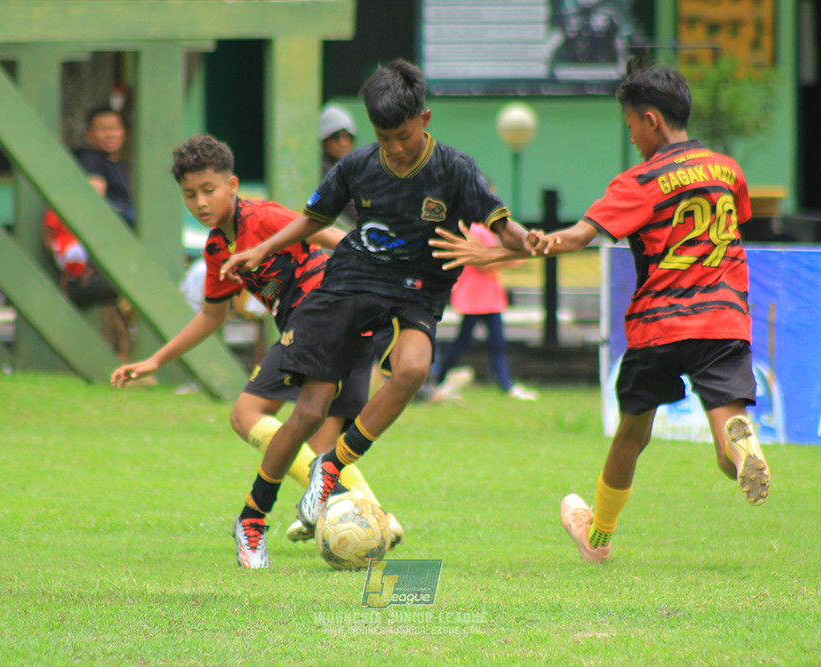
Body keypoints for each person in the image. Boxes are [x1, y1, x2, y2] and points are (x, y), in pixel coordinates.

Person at [429, 55, 771, 564]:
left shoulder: (639, 182)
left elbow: (572, 239)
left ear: (650, 119)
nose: (632, 136)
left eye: (631, 124)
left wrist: (496, 251)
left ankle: (599, 537)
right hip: (723, 319)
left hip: (660, 326)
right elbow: (737, 219)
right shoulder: (726, 169)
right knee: (727, 450)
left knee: (631, 436)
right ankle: (743, 446)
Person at [219, 59, 533, 568]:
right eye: (385, 138)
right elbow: (312, 220)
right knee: (309, 412)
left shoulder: (456, 170)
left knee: (412, 368)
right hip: (350, 282)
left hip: (418, 290)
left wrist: (515, 245)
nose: (395, 148)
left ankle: (332, 466)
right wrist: (260, 251)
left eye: (404, 136)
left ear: (425, 119)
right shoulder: (358, 165)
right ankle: (252, 520)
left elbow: (510, 232)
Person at [110, 134, 402, 567]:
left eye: (208, 190)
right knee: (322, 447)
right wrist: (156, 359)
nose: (200, 203)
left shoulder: (263, 217)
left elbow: (332, 235)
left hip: (324, 308)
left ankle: (257, 518)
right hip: (339, 320)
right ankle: (370, 517)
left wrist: (380, 269)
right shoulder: (215, 248)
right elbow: (212, 316)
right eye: (190, 195)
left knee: (250, 413)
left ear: (232, 184)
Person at [433, 222, 537, 401]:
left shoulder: (480, 229)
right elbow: (484, 264)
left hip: (485, 297)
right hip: (476, 296)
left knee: (491, 342)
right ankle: (438, 379)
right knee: (469, 342)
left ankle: (505, 384)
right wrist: (517, 258)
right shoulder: (478, 230)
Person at [42, 174, 132, 360]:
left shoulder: (100, 216)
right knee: (117, 294)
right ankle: (118, 351)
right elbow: (50, 242)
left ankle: (120, 350)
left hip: (95, 277)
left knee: (117, 298)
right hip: (77, 280)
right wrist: (66, 273)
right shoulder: (61, 212)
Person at [75, 107, 135, 228]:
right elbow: (95, 199)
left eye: (115, 128)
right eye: (102, 130)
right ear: (88, 135)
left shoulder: (118, 165)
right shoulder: (90, 159)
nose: (110, 135)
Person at [318, 103, 360, 228]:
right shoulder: (321, 169)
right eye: (336, 137)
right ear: (323, 139)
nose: (342, 143)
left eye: (348, 137)